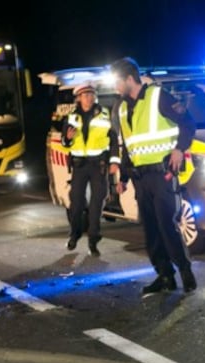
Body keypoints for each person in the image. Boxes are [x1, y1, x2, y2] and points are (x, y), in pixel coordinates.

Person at [109, 57, 197, 294]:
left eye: (117, 81)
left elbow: (188, 123)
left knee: (167, 225)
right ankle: (165, 276)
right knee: (150, 230)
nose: (115, 87)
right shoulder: (123, 107)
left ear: (130, 79)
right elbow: (129, 147)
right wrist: (124, 179)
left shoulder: (159, 96)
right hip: (140, 179)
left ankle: (185, 272)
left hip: (162, 174)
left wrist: (179, 148)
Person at [60, 82, 119, 256]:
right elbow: (65, 143)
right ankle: (75, 234)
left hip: (98, 164)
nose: (89, 98)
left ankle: (93, 238)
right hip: (79, 165)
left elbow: (114, 141)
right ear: (78, 98)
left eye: (92, 95)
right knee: (76, 202)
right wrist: (67, 139)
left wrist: (114, 162)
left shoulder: (105, 115)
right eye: (85, 95)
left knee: (96, 204)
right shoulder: (71, 117)